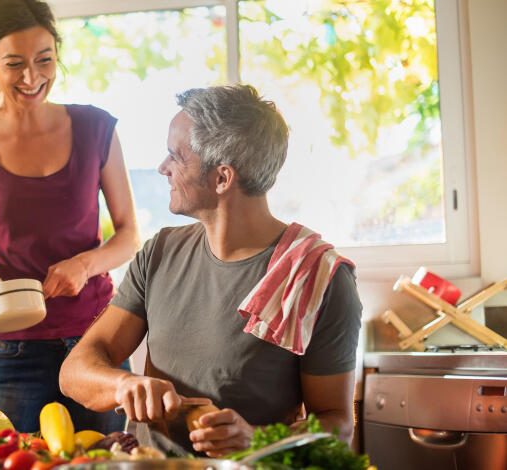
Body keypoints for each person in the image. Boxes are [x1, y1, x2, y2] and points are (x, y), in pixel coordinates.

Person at [59, 84, 362, 457]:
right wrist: (123, 385)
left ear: (222, 178)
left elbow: (338, 426)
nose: (162, 168)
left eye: (176, 157)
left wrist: (256, 440)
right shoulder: (159, 253)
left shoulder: (319, 277)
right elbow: (74, 371)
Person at [0, 0, 140, 433]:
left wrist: (84, 264)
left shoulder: (95, 128)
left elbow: (129, 236)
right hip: (12, 345)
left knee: (105, 463)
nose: (32, 77)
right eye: (14, 64)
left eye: (44, 60)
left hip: (96, 340)